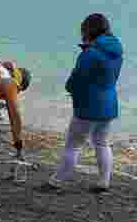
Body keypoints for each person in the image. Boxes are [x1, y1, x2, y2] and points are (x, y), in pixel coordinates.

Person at [42, 13, 123, 194]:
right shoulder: (117, 51)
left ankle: (58, 181)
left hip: (88, 105)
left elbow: (76, 79)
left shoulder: (90, 53)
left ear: (88, 30)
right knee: (102, 142)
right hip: (109, 103)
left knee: (73, 144)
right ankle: (104, 181)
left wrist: (69, 88)